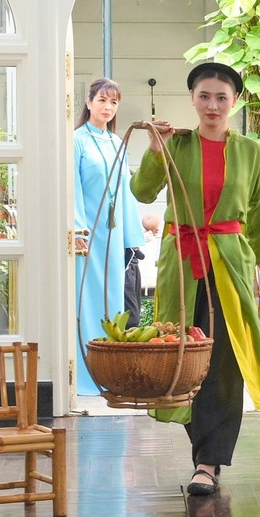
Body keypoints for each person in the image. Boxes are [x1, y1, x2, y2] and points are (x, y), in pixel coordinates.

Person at [131, 61, 260, 496]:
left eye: (222, 97)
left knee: (223, 362)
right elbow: (142, 193)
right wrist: (155, 150)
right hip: (182, 265)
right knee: (184, 357)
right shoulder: (177, 145)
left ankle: (209, 461)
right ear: (192, 100)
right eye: (204, 96)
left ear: (235, 102)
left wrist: (252, 269)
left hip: (229, 266)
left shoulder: (250, 152)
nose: (213, 105)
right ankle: (199, 448)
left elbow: (257, 214)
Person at [73, 77, 158, 396]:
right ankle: (86, 374)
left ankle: (112, 373)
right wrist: (78, 229)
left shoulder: (116, 142)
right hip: (88, 239)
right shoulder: (77, 141)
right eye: (102, 100)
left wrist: (132, 233)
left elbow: (124, 193)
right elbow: (74, 190)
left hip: (114, 238)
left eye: (113, 102)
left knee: (113, 304)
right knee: (90, 302)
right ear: (89, 102)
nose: (107, 108)